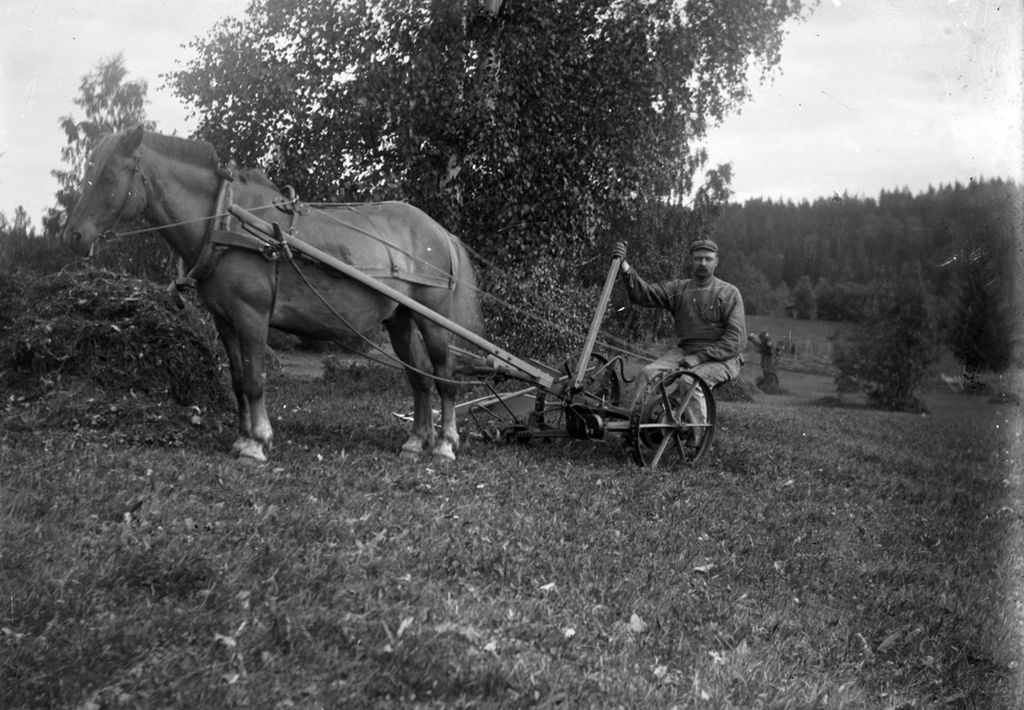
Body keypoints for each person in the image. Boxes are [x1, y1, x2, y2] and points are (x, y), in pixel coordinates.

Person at [613, 239, 746, 440]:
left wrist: (701, 357)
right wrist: (624, 266)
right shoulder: (680, 288)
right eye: (698, 258)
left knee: (689, 382)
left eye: (708, 259)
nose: (702, 263)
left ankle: (698, 443)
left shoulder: (729, 293)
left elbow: (735, 341)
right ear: (691, 261)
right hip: (685, 352)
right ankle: (632, 432)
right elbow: (646, 294)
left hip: (724, 358)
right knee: (647, 373)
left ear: (716, 262)